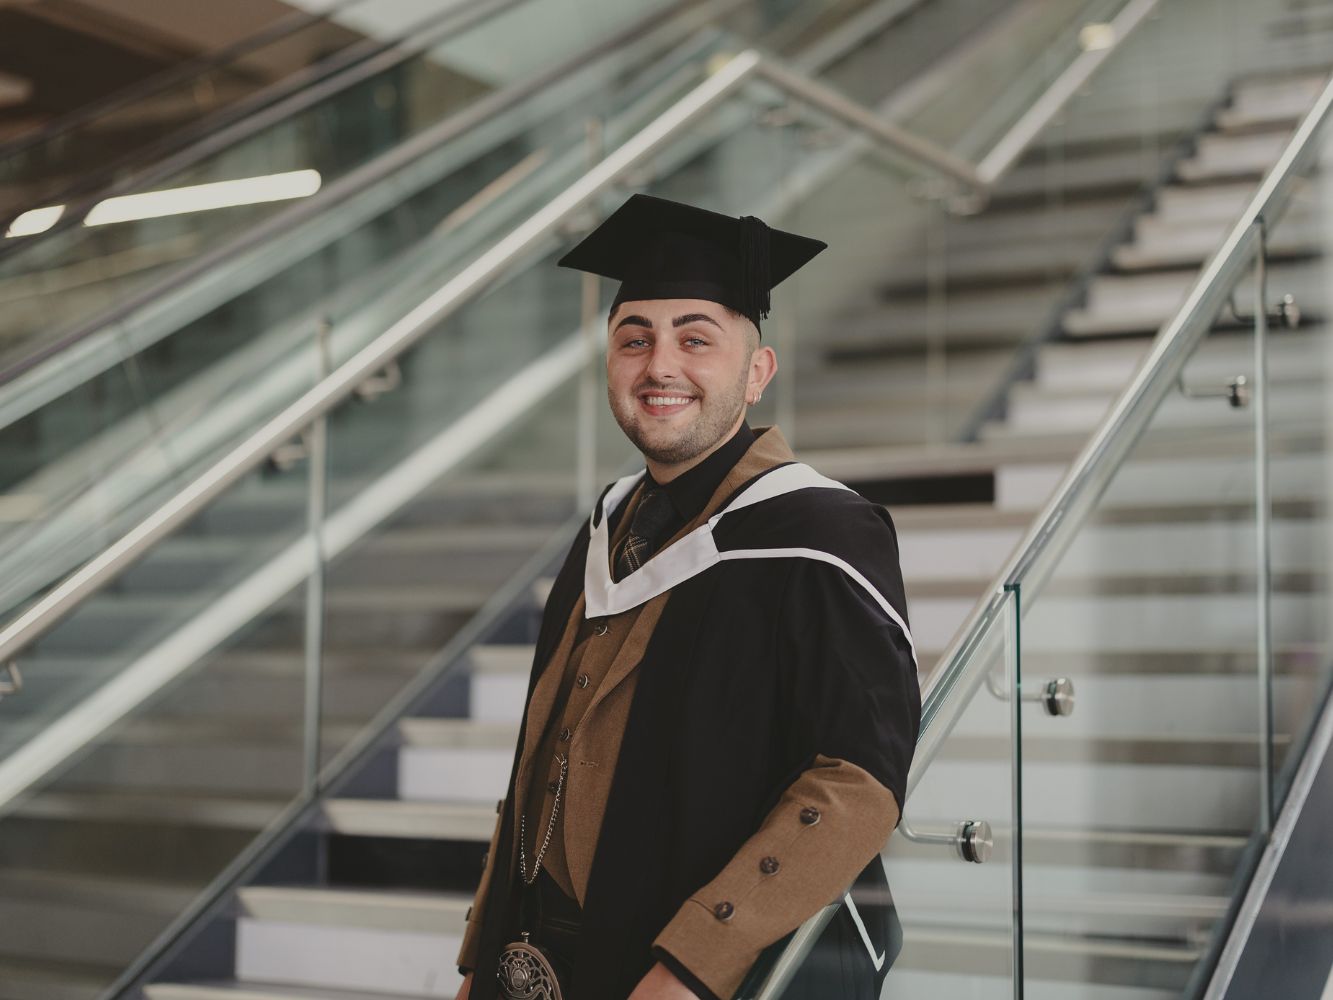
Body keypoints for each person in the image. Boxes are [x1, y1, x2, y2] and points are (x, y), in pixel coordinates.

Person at [455, 194, 920, 1000]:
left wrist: (694, 964)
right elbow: (538, 757)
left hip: (701, 972)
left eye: (695, 339)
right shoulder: (607, 527)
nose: (659, 366)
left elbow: (857, 781)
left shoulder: (820, 533)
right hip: (542, 962)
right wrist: (482, 948)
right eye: (633, 339)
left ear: (756, 372)